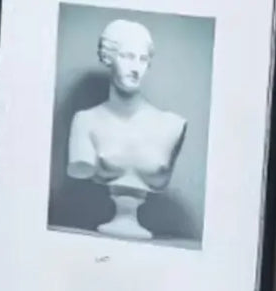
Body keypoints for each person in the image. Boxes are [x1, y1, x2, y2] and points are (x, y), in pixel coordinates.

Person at [67, 19, 188, 241]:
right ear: (108, 58)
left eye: (143, 59)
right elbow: (80, 167)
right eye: (127, 56)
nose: (136, 69)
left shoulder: (172, 125)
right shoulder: (86, 122)